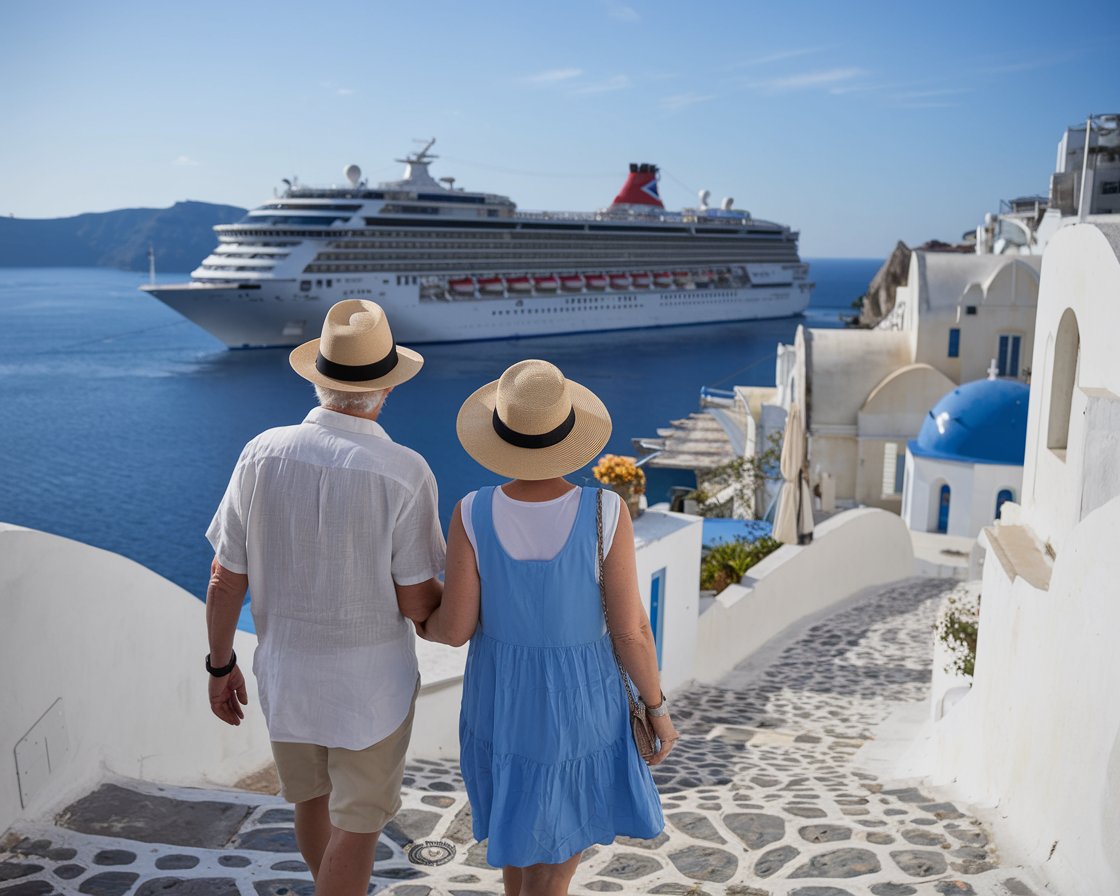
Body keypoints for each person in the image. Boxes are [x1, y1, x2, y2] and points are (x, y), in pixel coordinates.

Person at [204, 300, 445, 896]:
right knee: (358, 826)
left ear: (317, 378)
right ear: (386, 388)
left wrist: (220, 664)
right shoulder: (404, 470)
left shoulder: (261, 452)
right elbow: (417, 600)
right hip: (371, 689)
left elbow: (224, 577)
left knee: (311, 803)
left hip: (286, 675)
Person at [419, 359, 678, 896]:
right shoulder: (604, 509)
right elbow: (631, 631)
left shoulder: (472, 511)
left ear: (501, 435)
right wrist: (656, 707)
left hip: (501, 701)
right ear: (569, 435)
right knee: (556, 867)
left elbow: (457, 627)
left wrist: (420, 618)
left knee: (521, 849)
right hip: (580, 701)